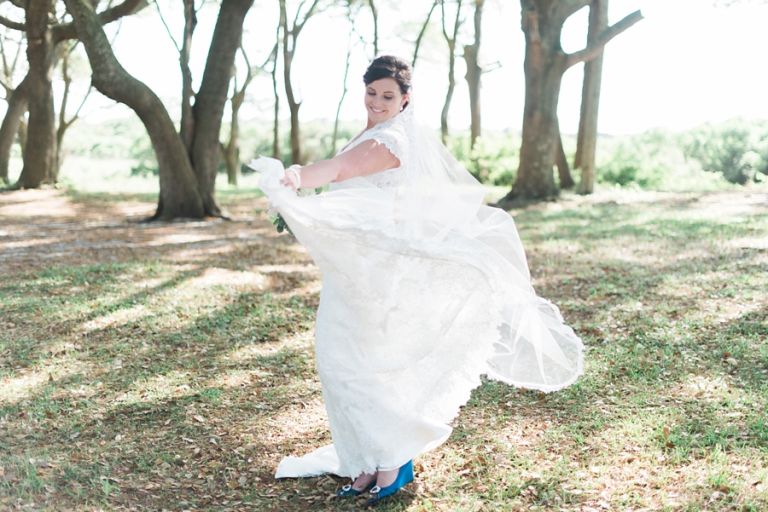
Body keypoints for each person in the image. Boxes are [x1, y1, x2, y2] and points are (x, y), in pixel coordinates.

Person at [253, 55, 583, 506]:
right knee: (343, 363)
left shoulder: (389, 142)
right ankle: (366, 462)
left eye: (388, 96)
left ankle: (392, 461)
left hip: (377, 275)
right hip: (358, 270)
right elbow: (347, 181)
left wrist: (294, 177)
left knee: (359, 365)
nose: (377, 102)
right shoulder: (369, 133)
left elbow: (340, 170)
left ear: (405, 100)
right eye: (371, 93)